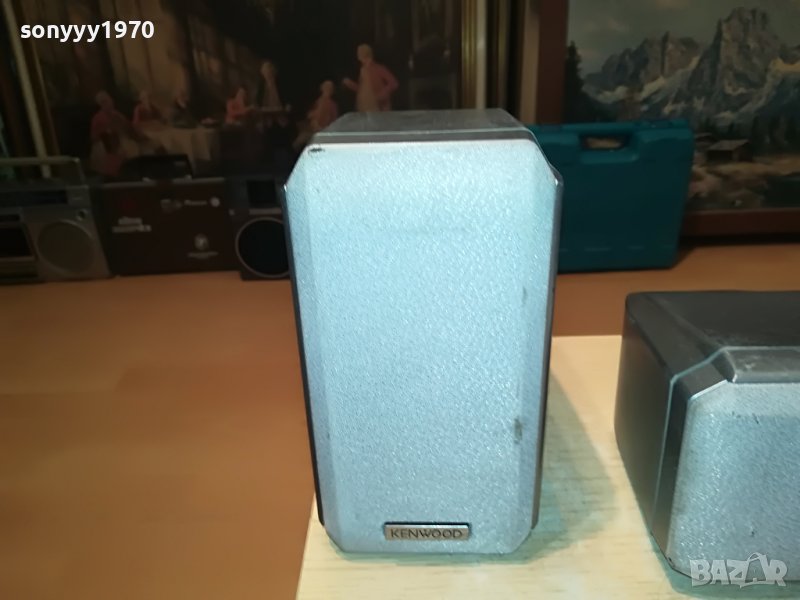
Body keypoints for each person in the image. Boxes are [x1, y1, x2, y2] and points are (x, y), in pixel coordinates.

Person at [89, 90, 139, 176]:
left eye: (109, 100)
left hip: (122, 141)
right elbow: (94, 137)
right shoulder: (97, 118)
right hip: (106, 145)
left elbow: (128, 127)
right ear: (100, 104)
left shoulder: (117, 115)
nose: (108, 103)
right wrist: (107, 132)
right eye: (104, 102)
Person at [342, 44, 398, 112]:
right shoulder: (363, 70)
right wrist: (350, 84)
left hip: (378, 107)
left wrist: (381, 94)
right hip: (365, 107)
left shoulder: (378, 68)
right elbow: (362, 90)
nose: (359, 56)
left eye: (360, 53)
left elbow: (393, 83)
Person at [293, 80, 339, 150]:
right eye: (326, 87)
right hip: (313, 129)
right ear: (322, 88)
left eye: (330, 88)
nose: (328, 89)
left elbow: (335, 121)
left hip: (324, 132)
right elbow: (310, 115)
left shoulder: (333, 105)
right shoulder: (318, 101)